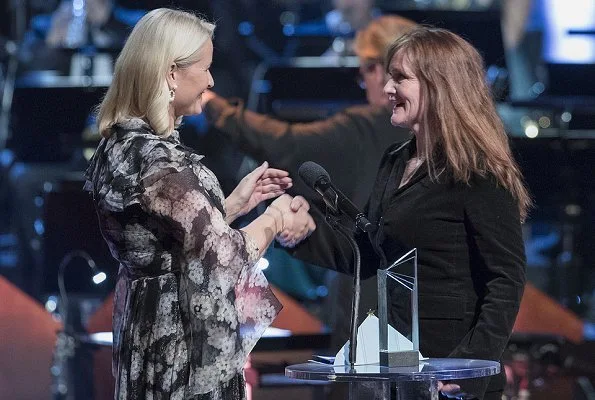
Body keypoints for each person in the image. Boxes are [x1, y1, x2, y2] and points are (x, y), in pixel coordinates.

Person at [288, 26, 531, 400]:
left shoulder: (476, 172)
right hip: (402, 372)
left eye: (400, 78)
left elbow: (506, 280)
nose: (387, 89)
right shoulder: (395, 160)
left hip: (453, 378)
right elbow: (368, 254)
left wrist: (470, 364)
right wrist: (299, 233)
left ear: (439, 85)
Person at [83, 8, 315, 399]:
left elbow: (167, 239)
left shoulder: (124, 146)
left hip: (149, 334)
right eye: (205, 68)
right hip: (180, 353)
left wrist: (232, 205)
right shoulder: (157, 162)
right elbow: (222, 256)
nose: (210, 81)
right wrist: (274, 219)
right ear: (172, 73)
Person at [201, 14, 417, 349]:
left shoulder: (369, 127)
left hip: (375, 301)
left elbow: (286, 144)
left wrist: (215, 108)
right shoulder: (441, 135)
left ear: (380, 68)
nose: (375, 87)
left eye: (365, 74)